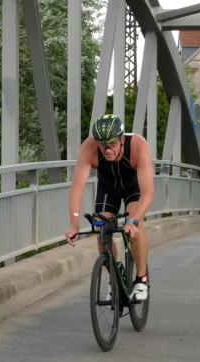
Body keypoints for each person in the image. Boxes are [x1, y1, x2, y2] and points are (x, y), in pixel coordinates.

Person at [65, 114, 154, 300]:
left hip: (133, 187)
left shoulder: (138, 145)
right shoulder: (89, 148)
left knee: (135, 226)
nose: (107, 149)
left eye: (112, 143)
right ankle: (115, 273)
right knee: (101, 230)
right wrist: (74, 224)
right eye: (102, 144)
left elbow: (148, 193)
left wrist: (132, 221)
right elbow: (77, 188)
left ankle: (141, 279)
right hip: (108, 188)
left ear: (122, 139)